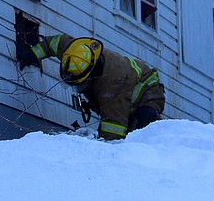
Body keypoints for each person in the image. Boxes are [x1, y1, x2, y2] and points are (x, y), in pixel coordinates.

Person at [21, 33, 164, 140]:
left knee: (140, 127)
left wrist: (105, 146)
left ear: (91, 74)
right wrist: (32, 54)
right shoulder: (74, 53)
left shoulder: (112, 83)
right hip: (120, 94)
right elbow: (53, 43)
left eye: (81, 84)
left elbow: (114, 129)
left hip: (148, 90)